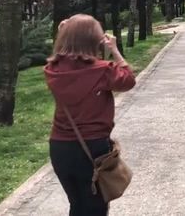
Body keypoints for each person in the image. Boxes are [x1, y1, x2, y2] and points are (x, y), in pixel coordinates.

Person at [44, 14, 136, 216]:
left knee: (76, 204)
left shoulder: (52, 70)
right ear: (94, 41)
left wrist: (65, 34)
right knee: (96, 207)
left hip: (60, 147)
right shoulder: (103, 71)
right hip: (93, 148)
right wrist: (114, 50)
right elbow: (128, 80)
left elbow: (62, 57)